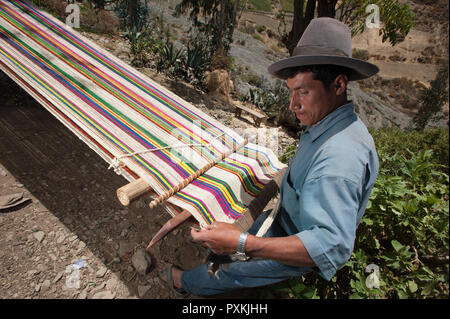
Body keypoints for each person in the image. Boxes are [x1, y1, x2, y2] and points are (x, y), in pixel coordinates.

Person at [159, 17, 380, 297]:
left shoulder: (340, 157)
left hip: (295, 245)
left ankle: (183, 282)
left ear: (338, 85)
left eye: (303, 92)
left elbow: (328, 247)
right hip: (286, 222)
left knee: (231, 272)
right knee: (229, 240)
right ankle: (222, 251)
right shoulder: (327, 124)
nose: (293, 104)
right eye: (291, 92)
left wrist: (244, 243)